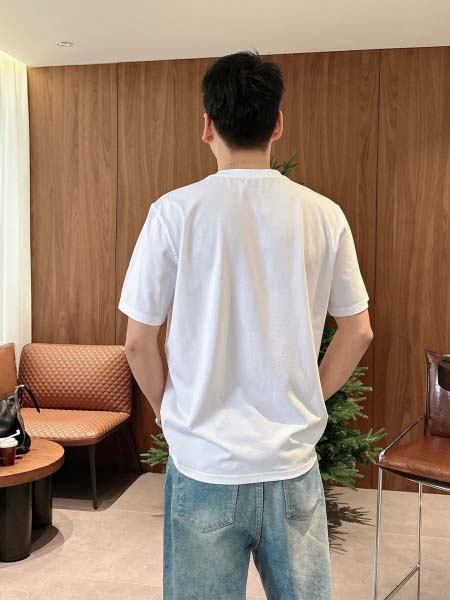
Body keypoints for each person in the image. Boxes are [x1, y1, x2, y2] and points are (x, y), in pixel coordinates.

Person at [118, 49, 373, 600]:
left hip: (204, 464)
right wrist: (312, 396)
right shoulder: (323, 214)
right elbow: (358, 331)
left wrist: (166, 409)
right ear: (277, 124)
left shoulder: (174, 212)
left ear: (207, 125)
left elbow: (138, 341)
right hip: (291, 464)